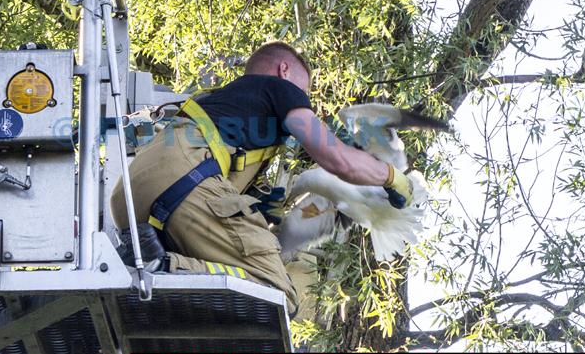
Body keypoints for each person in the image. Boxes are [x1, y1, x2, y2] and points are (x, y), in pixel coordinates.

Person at [110, 41, 414, 315]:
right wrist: (390, 177)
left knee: (214, 276)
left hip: (129, 201)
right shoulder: (280, 89)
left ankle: (155, 261)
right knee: (277, 294)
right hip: (182, 185)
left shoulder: (223, 104)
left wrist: (264, 208)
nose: (303, 100)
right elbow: (338, 159)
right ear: (284, 71)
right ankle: (161, 264)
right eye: (303, 92)